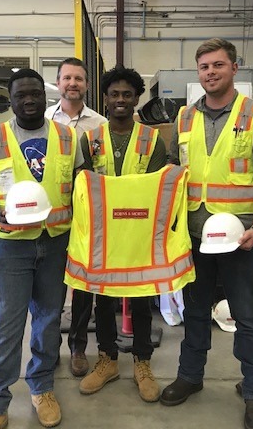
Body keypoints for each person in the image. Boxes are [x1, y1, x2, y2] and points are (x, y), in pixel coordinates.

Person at [161, 38, 253, 429]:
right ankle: (190, 377)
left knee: (248, 316)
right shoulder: (183, 118)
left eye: (217, 65)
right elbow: (173, 177)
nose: (210, 72)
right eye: (204, 67)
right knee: (194, 311)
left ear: (234, 68)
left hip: (241, 237)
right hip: (195, 237)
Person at [0, 68, 84, 429]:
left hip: (55, 242)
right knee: (4, 324)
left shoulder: (68, 137)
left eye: (36, 93)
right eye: (21, 95)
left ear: (46, 95)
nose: (30, 100)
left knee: (49, 320)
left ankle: (42, 387)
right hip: (7, 246)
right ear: (11, 99)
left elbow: (82, 186)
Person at [76, 64, 168, 403]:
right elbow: (83, 187)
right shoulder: (90, 140)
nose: (120, 100)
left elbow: (158, 189)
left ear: (136, 98)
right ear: (105, 98)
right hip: (104, 237)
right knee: (104, 300)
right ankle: (108, 359)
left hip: (139, 234)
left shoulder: (152, 139)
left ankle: (142, 363)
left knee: (142, 298)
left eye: (127, 94)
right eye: (114, 94)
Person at [45, 57, 108, 378]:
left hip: (86, 219)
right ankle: (49, 344)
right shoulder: (42, 121)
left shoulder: (99, 125)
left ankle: (79, 347)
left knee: (83, 286)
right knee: (51, 286)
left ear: (86, 85)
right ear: (58, 83)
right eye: (67, 78)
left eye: (78, 79)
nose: (72, 83)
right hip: (51, 219)